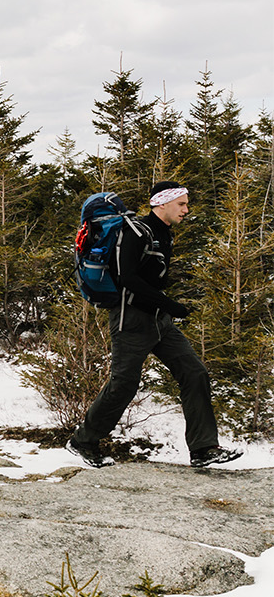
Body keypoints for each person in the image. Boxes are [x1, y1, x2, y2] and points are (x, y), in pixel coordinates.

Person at [68, 181, 242, 468]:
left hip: (159, 320)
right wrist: (170, 305)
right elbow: (128, 279)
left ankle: (204, 448)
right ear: (162, 203)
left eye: (186, 204)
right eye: (181, 204)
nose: (187, 209)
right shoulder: (135, 231)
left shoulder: (164, 232)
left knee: (194, 373)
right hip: (130, 319)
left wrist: (165, 308)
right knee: (124, 383)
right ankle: (83, 441)